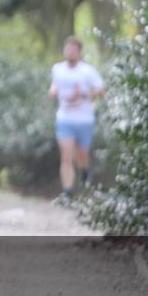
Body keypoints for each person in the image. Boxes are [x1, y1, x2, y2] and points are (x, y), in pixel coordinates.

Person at [48, 36, 105, 198]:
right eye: (68, 49)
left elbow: (101, 91)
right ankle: (67, 192)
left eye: (74, 49)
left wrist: (84, 94)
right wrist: (52, 91)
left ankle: (85, 171)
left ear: (79, 52)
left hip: (84, 120)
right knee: (66, 156)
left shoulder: (88, 71)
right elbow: (55, 84)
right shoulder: (58, 69)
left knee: (81, 156)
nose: (70, 52)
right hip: (65, 118)